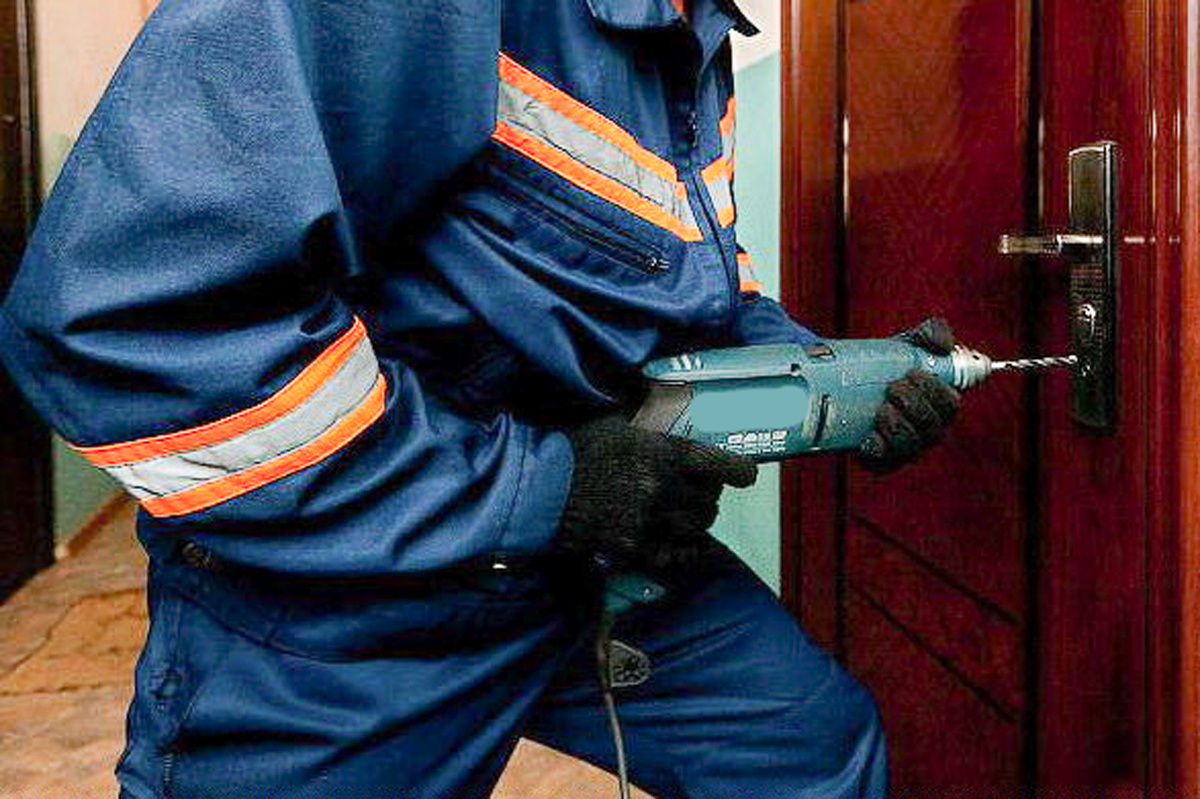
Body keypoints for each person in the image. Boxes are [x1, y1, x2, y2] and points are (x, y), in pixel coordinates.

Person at [0, 0, 959, 796]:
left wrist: (837, 380)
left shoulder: (692, 30)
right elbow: (129, 333)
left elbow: (687, 285)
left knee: (810, 754)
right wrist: (541, 491)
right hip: (356, 594)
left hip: (588, 554)